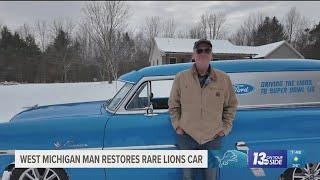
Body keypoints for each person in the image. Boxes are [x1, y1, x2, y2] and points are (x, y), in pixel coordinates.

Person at [168, 39, 238, 180]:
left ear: (211, 55)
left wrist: (225, 128)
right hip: (187, 137)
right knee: (187, 177)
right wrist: (177, 126)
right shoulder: (181, 78)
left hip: (212, 138)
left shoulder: (223, 79)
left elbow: (231, 105)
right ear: (193, 54)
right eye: (199, 50)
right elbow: (173, 105)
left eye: (207, 50)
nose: (203, 53)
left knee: (211, 177)